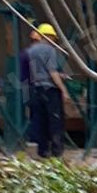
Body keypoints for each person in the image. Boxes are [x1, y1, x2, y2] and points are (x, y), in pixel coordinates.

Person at [26, 23, 70, 158]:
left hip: (36, 89)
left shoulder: (31, 51)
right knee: (55, 121)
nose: (55, 40)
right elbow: (52, 72)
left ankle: (42, 151)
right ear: (49, 36)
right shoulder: (49, 50)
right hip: (50, 90)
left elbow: (36, 71)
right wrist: (63, 90)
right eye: (54, 37)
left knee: (40, 120)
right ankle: (57, 152)